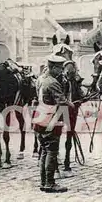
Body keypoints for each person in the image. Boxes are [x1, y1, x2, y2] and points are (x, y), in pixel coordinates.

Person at [33, 55, 75, 193]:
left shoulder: (40, 79)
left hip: (40, 118)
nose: (61, 71)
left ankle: (44, 181)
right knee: (52, 151)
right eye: (60, 68)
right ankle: (50, 183)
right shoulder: (53, 83)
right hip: (51, 120)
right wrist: (71, 104)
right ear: (54, 67)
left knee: (45, 150)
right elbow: (62, 102)